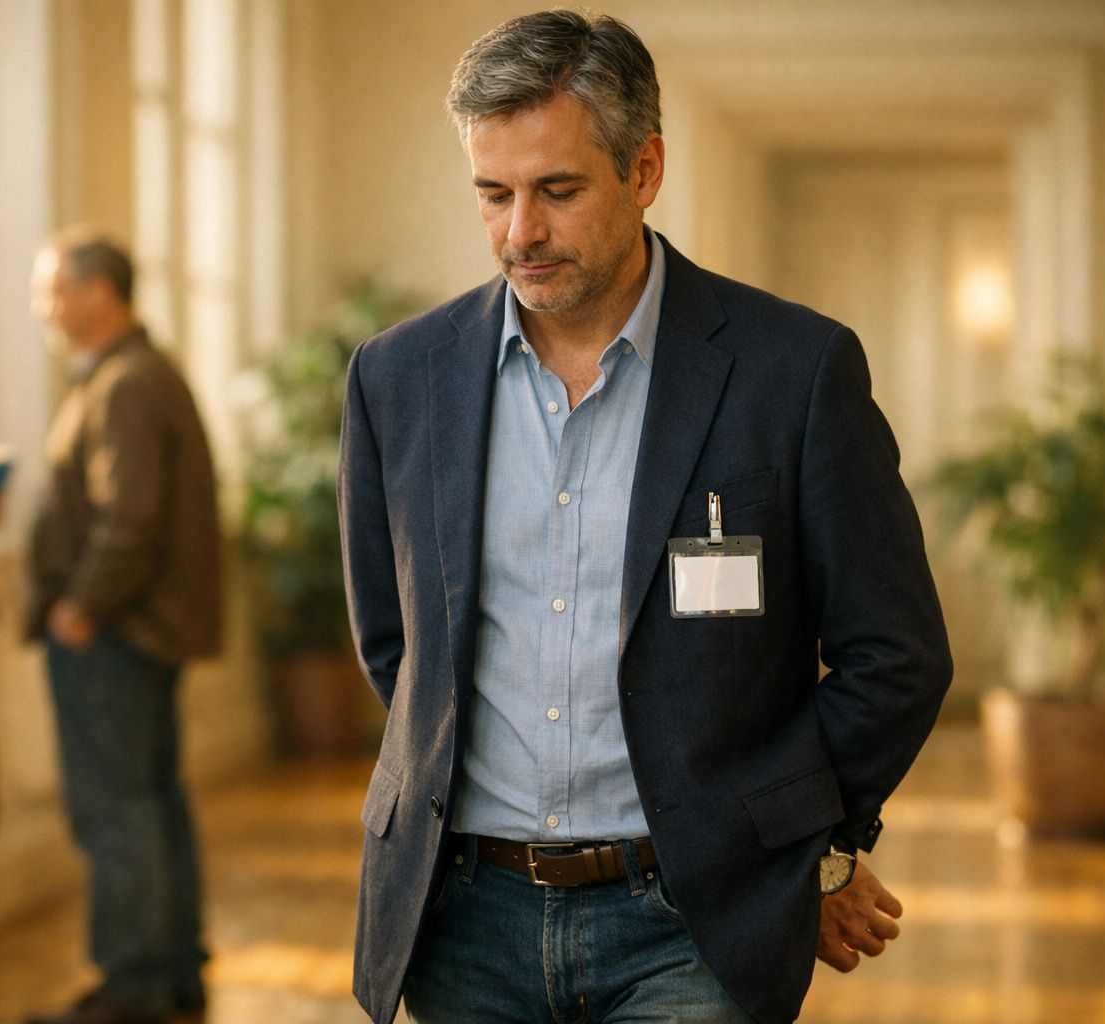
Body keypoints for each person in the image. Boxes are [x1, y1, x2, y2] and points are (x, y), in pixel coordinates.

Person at [338, 11, 954, 1024]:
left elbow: (896, 656)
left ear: (644, 169)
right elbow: (397, 646)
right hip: (462, 922)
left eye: (557, 191)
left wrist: (800, 839)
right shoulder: (398, 379)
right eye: (492, 195)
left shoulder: (791, 373)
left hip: (691, 922)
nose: (519, 232)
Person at [25, 231, 222, 1024]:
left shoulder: (126, 384)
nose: (45, 308)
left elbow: (129, 518)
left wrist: (80, 607)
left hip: (114, 634)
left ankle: (134, 984)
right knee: (150, 800)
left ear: (98, 292)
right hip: (133, 632)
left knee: (116, 810)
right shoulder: (133, 372)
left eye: (53, 290)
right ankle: (171, 973)